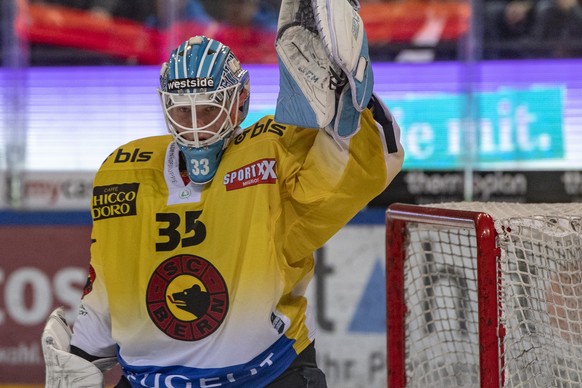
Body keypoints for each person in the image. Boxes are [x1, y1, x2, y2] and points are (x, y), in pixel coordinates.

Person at [41, 2, 404, 386]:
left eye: (209, 108)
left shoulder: (272, 150)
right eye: (183, 111)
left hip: (268, 375)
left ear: (239, 102)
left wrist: (345, 108)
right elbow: (110, 277)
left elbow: (355, 171)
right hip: (149, 379)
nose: (196, 126)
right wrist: (82, 352)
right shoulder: (123, 171)